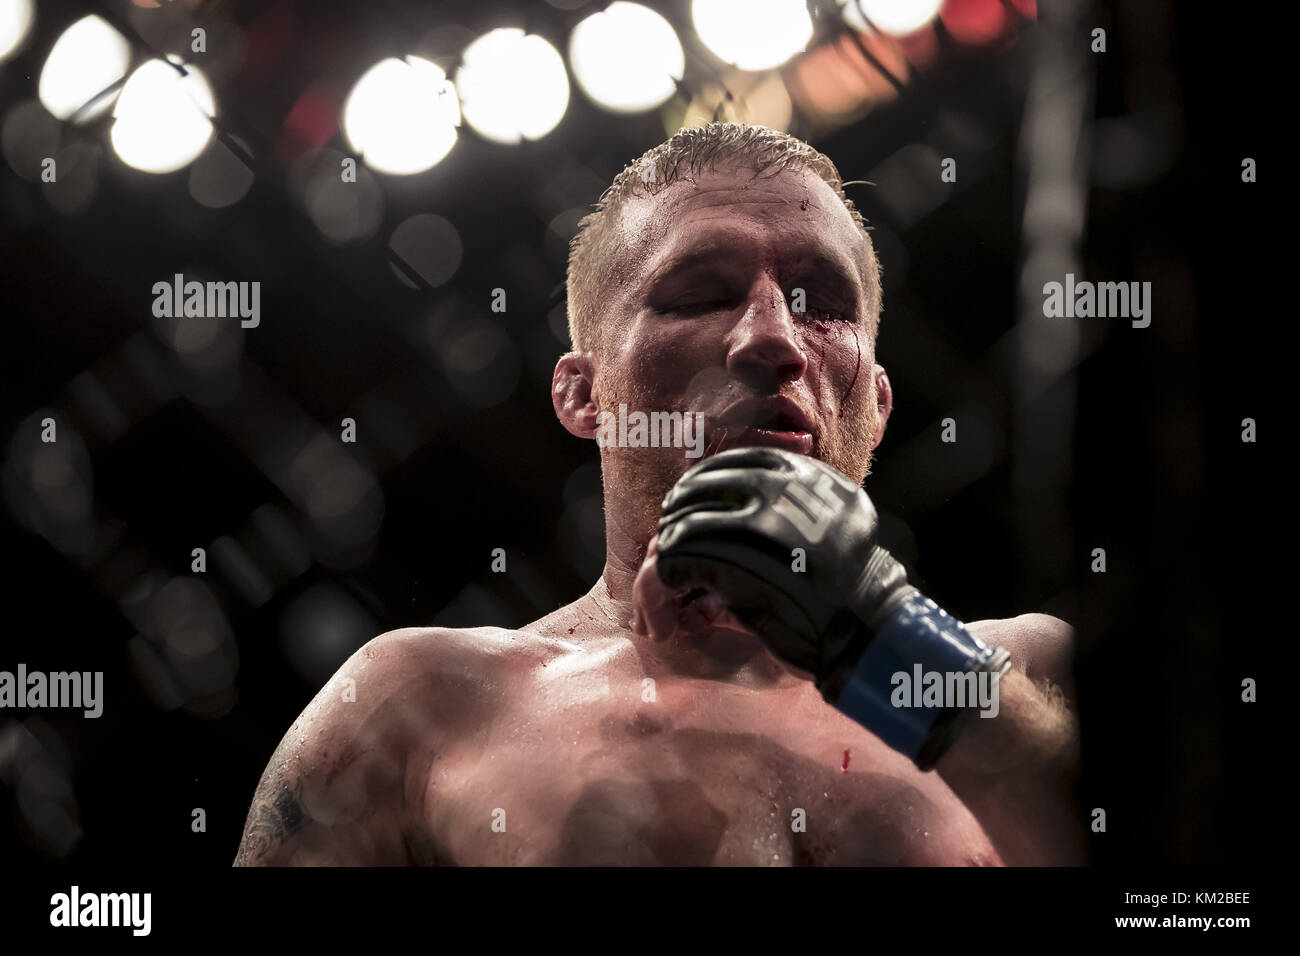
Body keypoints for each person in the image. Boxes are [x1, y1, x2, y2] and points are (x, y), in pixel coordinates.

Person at [235, 122, 1082, 866]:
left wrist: (883, 636)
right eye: (698, 296)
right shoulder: (423, 707)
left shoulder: (1035, 674)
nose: (770, 339)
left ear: (880, 402)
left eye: (820, 302)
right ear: (581, 394)